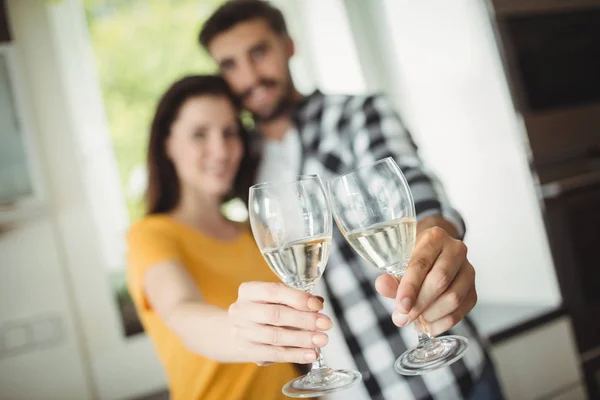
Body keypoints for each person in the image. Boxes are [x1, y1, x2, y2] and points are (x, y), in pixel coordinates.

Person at [198, 1, 505, 399]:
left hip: (447, 381)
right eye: (229, 65)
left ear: (289, 46)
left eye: (259, 52)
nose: (250, 77)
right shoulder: (240, 163)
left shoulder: (356, 115)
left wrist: (434, 236)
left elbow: (413, 186)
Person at [126, 75, 337, 400]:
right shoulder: (150, 235)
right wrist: (243, 335)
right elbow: (182, 311)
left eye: (229, 132)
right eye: (200, 134)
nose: (221, 149)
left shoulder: (254, 234)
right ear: (167, 143)